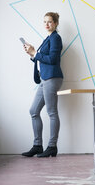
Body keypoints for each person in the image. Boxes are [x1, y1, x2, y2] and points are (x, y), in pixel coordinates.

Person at [21, 12, 64, 158]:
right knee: (33, 110)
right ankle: (38, 145)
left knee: (52, 112)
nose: (47, 24)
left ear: (56, 23)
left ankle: (52, 146)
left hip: (52, 78)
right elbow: (42, 59)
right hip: (45, 78)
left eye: (50, 22)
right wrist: (33, 54)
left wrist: (35, 52)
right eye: (45, 21)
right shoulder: (48, 38)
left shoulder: (56, 38)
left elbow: (52, 59)